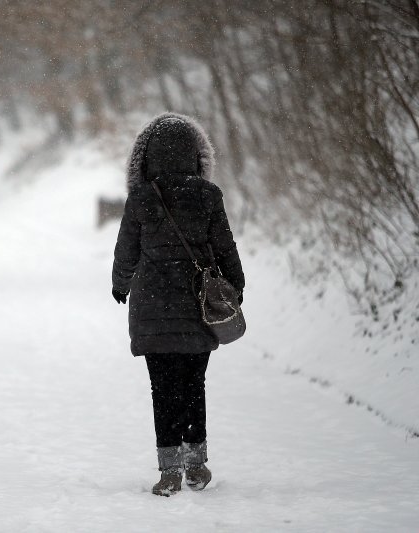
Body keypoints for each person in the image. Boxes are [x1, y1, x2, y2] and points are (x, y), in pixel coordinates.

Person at [111, 113, 245, 497]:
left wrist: (121, 284)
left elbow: (126, 251)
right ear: (196, 157)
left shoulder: (141, 198)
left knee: (162, 389)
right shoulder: (207, 196)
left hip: (152, 309)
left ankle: (168, 471)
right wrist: (234, 286)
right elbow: (225, 248)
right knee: (193, 384)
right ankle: (197, 465)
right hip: (196, 306)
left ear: (146, 158)